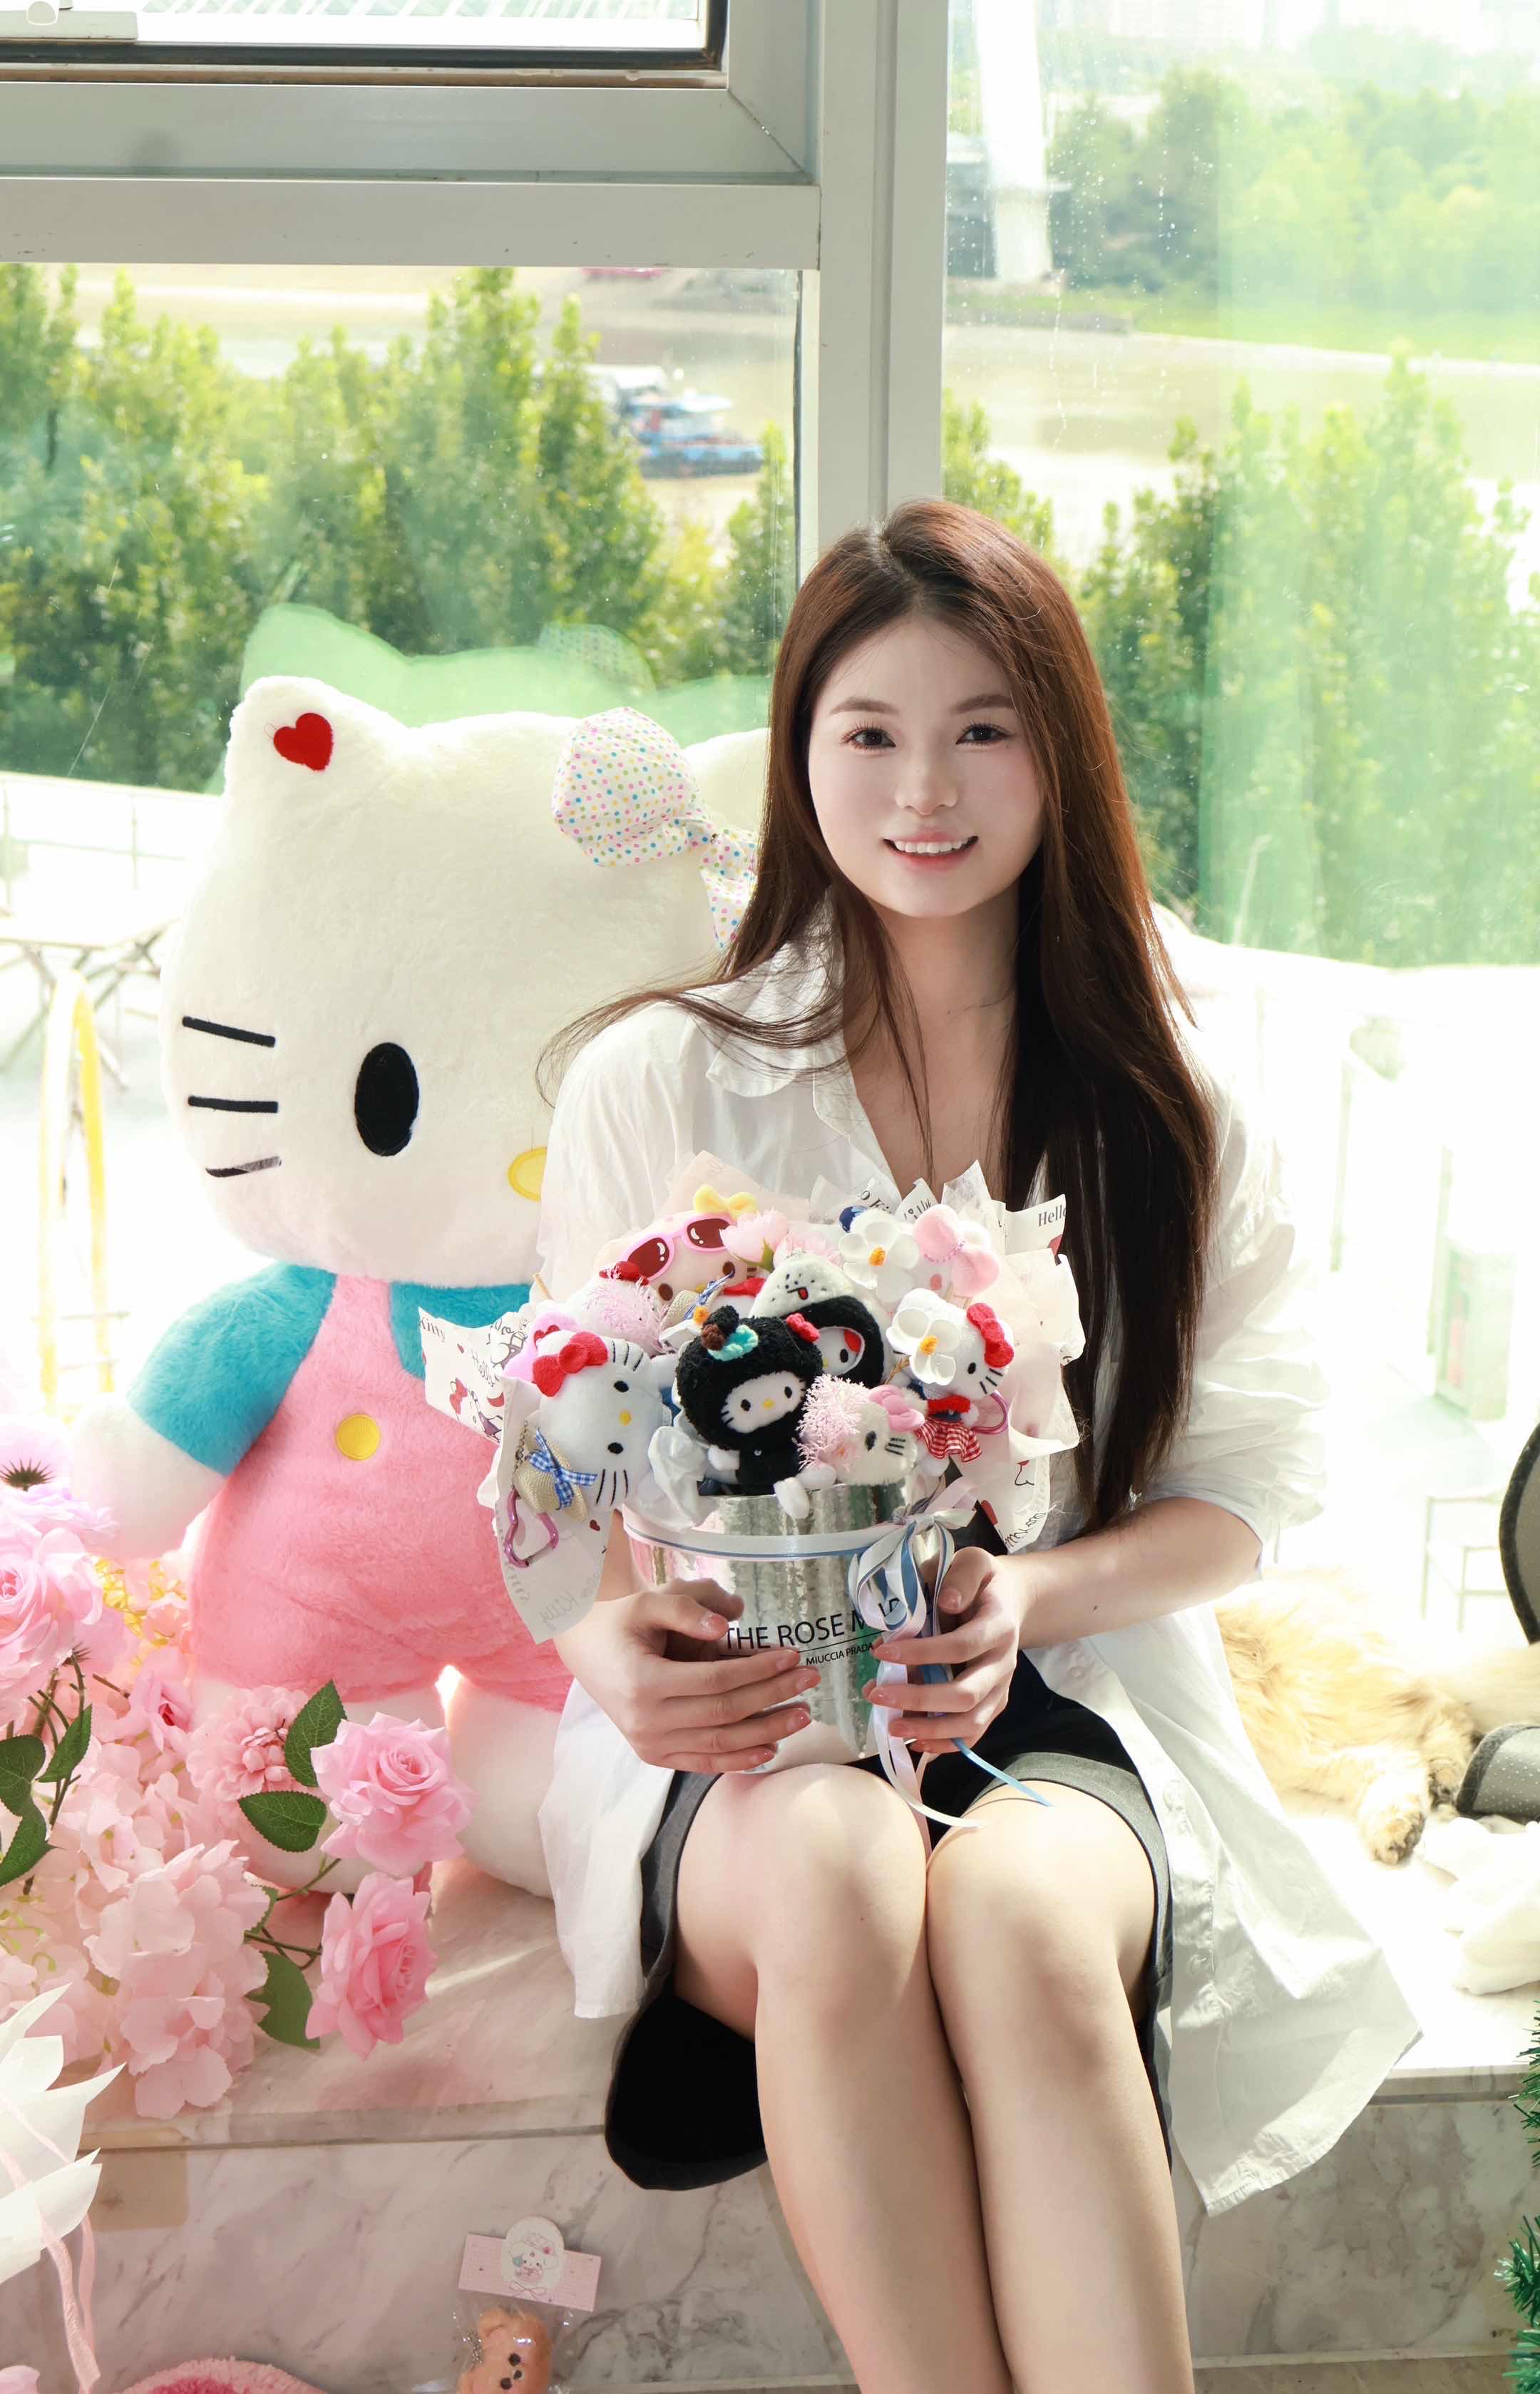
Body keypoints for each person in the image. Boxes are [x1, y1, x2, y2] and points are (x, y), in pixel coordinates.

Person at [533, 500, 1417, 2394]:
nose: (924, 789)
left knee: (1016, 1918)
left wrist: (1029, 1599)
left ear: (1059, 754)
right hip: (759, 1730)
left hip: (1071, 1695)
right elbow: (569, 1473)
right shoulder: (661, 1081)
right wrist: (610, 1648)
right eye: (869, 731)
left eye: (983, 730)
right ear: (800, 754)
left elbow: (1248, 1490)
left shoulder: (1173, 1104)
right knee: (844, 1861)